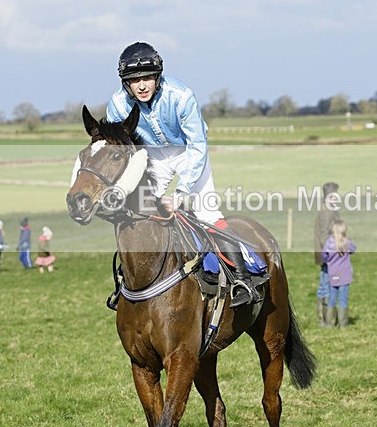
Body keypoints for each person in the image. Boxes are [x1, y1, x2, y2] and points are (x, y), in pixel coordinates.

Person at [106, 41, 265, 307]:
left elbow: (198, 144)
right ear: (126, 83)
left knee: (208, 214)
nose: (142, 86)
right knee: (136, 214)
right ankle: (129, 281)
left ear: (158, 77)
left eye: (147, 78)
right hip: (153, 158)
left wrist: (181, 193)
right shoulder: (117, 106)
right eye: (134, 81)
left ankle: (242, 280)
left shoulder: (181, 95)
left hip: (188, 153)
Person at [313, 182, 341, 326]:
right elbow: (324, 235)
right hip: (329, 255)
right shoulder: (327, 212)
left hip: (327, 254)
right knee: (327, 286)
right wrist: (333, 254)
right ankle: (327, 320)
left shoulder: (328, 209)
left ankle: (325, 319)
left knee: (326, 284)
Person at [321, 219, 357, 328]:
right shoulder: (347, 243)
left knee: (332, 298)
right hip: (345, 276)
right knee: (343, 299)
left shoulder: (328, 244)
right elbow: (354, 249)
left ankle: (330, 323)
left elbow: (324, 257)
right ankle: (343, 324)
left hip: (333, 275)